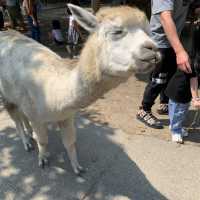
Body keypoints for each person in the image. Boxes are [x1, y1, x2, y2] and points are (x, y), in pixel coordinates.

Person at [136, 0, 200, 129]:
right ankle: (144, 109)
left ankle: (164, 103)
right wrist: (180, 51)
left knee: (171, 75)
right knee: (159, 78)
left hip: (175, 39)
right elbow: (166, 18)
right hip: (159, 42)